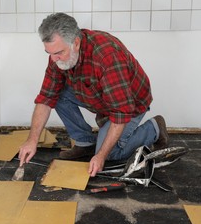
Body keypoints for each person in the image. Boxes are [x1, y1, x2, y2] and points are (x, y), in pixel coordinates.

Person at [18, 13, 169, 177]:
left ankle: (154, 128)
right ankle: (85, 143)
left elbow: (121, 112)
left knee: (111, 154)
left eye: (59, 53)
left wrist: (101, 156)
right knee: (57, 93)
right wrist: (32, 140)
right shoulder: (59, 57)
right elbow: (46, 97)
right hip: (100, 96)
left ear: (76, 43)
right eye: (49, 53)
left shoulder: (108, 57)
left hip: (130, 103)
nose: (54, 59)